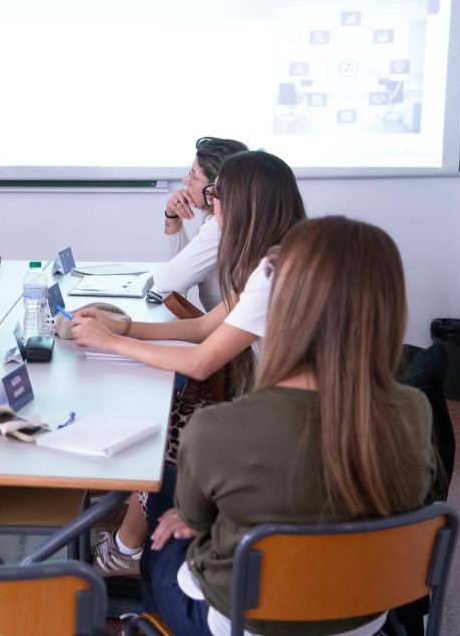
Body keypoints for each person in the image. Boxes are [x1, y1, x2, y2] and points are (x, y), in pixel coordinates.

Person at [145, 216, 442, 636]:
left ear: (281, 307)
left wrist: (188, 515)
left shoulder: (216, 429)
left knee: (161, 541)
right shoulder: (414, 411)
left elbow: (194, 520)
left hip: (242, 622)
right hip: (364, 617)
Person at [72, 151, 306, 577]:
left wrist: (114, 343)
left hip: (284, 427)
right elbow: (201, 327)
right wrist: (123, 327)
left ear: (243, 204)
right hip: (285, 414)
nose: (211, 204)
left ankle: (127, 550)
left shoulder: (272, 271)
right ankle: (129, 541)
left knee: (173, 426)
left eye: (216, 195)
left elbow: (200, 361)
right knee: (175, 415)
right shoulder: (279, 256)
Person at [153, 137, 248, 311]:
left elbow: (167, 282)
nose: (185, 181)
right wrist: (172, 217)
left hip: (229, 327)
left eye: (193, 176)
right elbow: (176, 269)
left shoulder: (222, 226)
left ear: (214, 188)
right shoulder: (219, 218)